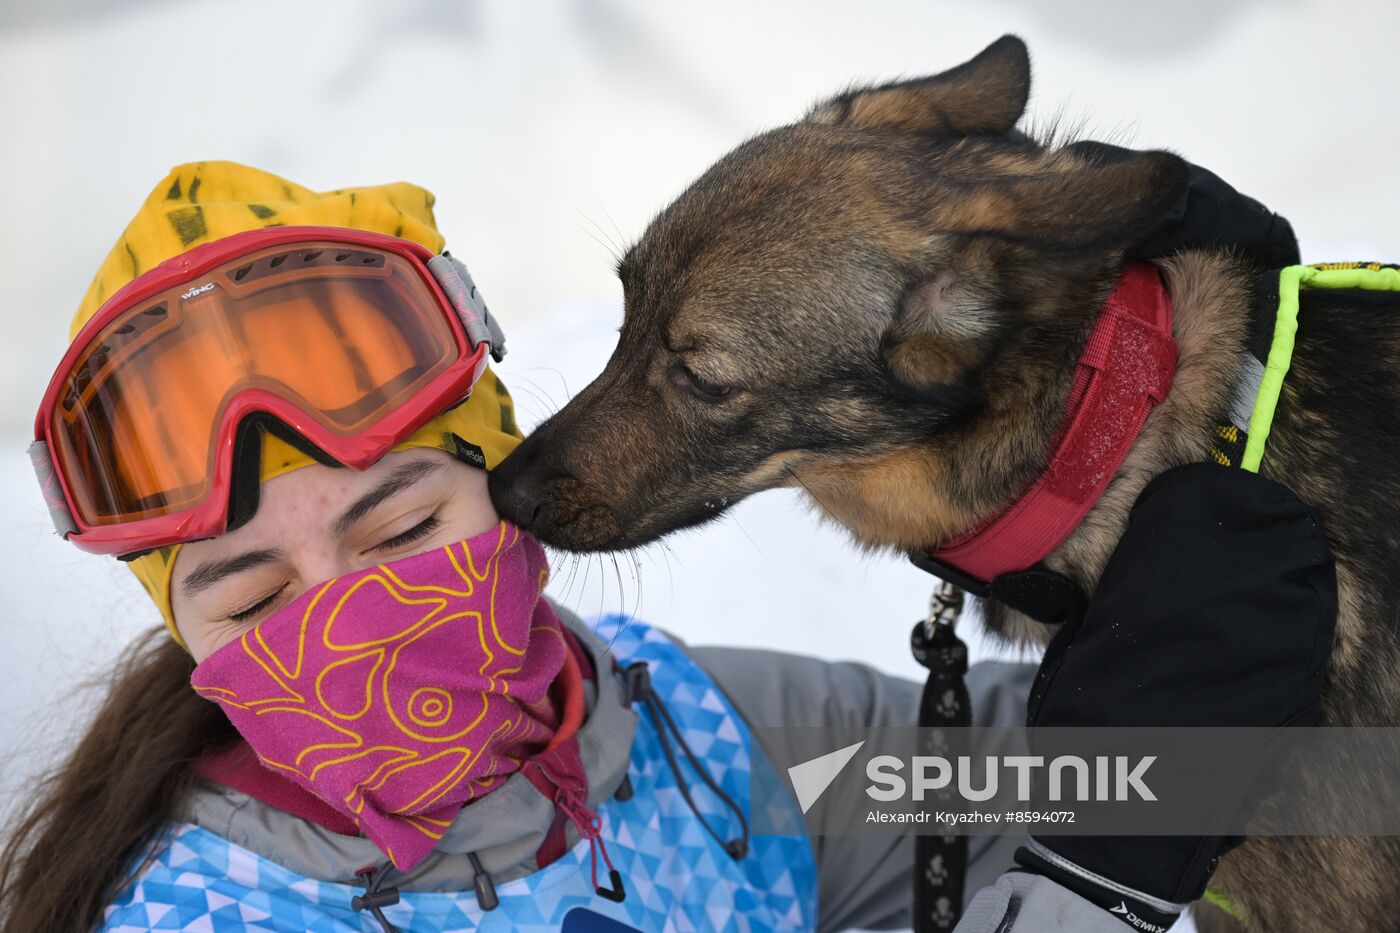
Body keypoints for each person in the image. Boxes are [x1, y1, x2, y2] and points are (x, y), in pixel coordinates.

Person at [0, 162, 1035, 933]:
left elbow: (1136, 775)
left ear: (505, 501)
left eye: (404, 530)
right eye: (255, 604)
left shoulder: (705, 754)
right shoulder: (201, 915)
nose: (349, 627)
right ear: (188, 637)